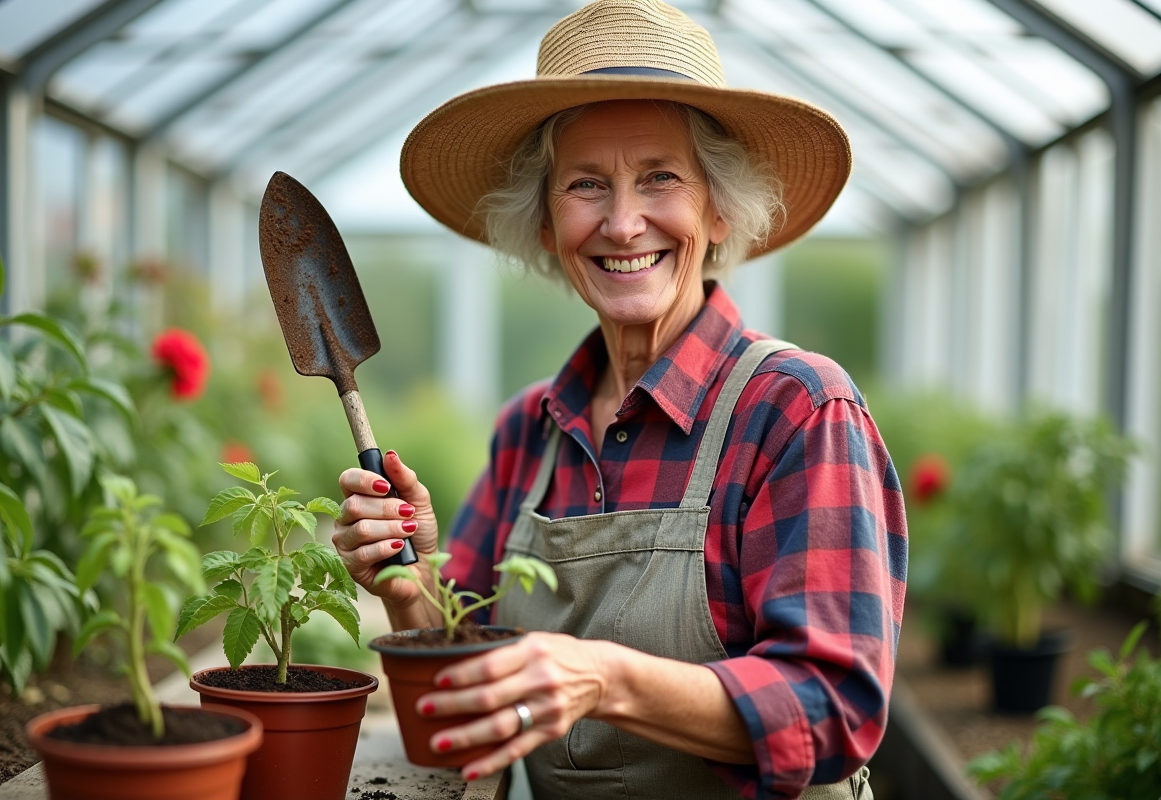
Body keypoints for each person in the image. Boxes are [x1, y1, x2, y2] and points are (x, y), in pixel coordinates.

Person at [332, 1, 906, 798]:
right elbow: (459, 690)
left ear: (718, 210)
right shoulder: (529, 430)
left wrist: (604, 678)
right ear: (545, 224)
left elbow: (834, 706)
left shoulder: (796, 409)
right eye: (586, 184)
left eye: (660, 178)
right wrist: (408, 586)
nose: (623, 221)